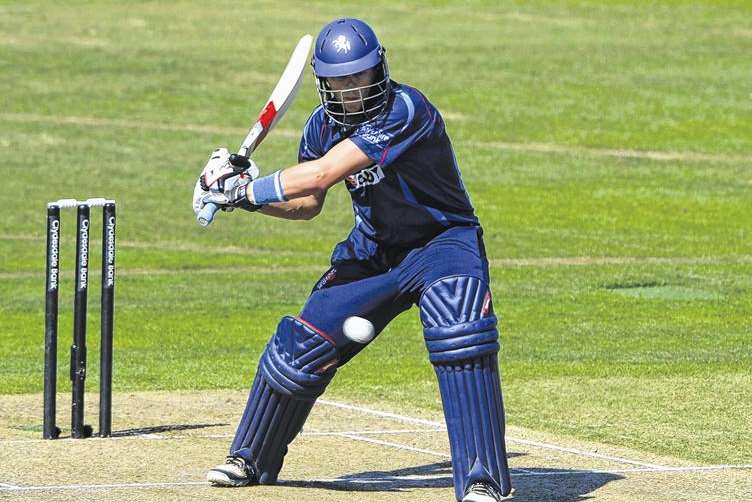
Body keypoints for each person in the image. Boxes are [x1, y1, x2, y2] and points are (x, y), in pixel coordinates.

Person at [193, 17, 513, 502]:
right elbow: (305, 205)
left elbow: (321, 175)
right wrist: (243, 198)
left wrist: (242, 186)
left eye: (360, 76)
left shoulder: (406, 109)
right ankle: (249, 459)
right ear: (325, 84)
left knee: (459, 327)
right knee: (299, 347)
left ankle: (481, 480)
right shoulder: (321, 126)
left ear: (379, 69)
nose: (352, 89)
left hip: (443, 243)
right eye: (341, 81)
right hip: (375, 251)